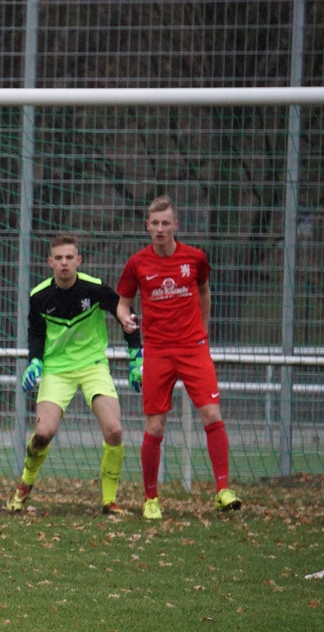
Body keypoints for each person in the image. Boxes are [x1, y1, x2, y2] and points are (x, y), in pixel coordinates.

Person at [116, 195, 242, 519]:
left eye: (165, 223)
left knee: (212, 414)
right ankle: (151, 498)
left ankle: (223, 491)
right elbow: (123, 302)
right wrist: (125, 317)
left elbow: (204, 290)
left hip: (193, 347)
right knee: (155, 426)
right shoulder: (137, 263)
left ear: (176, 225)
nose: (160, 229)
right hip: (157, 350)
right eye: (154, 223)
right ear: (147, 226)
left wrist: (203, 330)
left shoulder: (195, 258)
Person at [8, 234, 143, 514]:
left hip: (93, 365)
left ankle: (109, 501)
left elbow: (126, 314)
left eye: (70, 257)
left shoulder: (94, 289)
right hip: (57, 370)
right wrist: (35, 362)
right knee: (43, 433)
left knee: (115, 430)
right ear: (50, 262)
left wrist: (135, 358)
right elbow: (35, 333)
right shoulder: (39, 296)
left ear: (79, 260)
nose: (64, 263)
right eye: (58, 258)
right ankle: (24, 486)